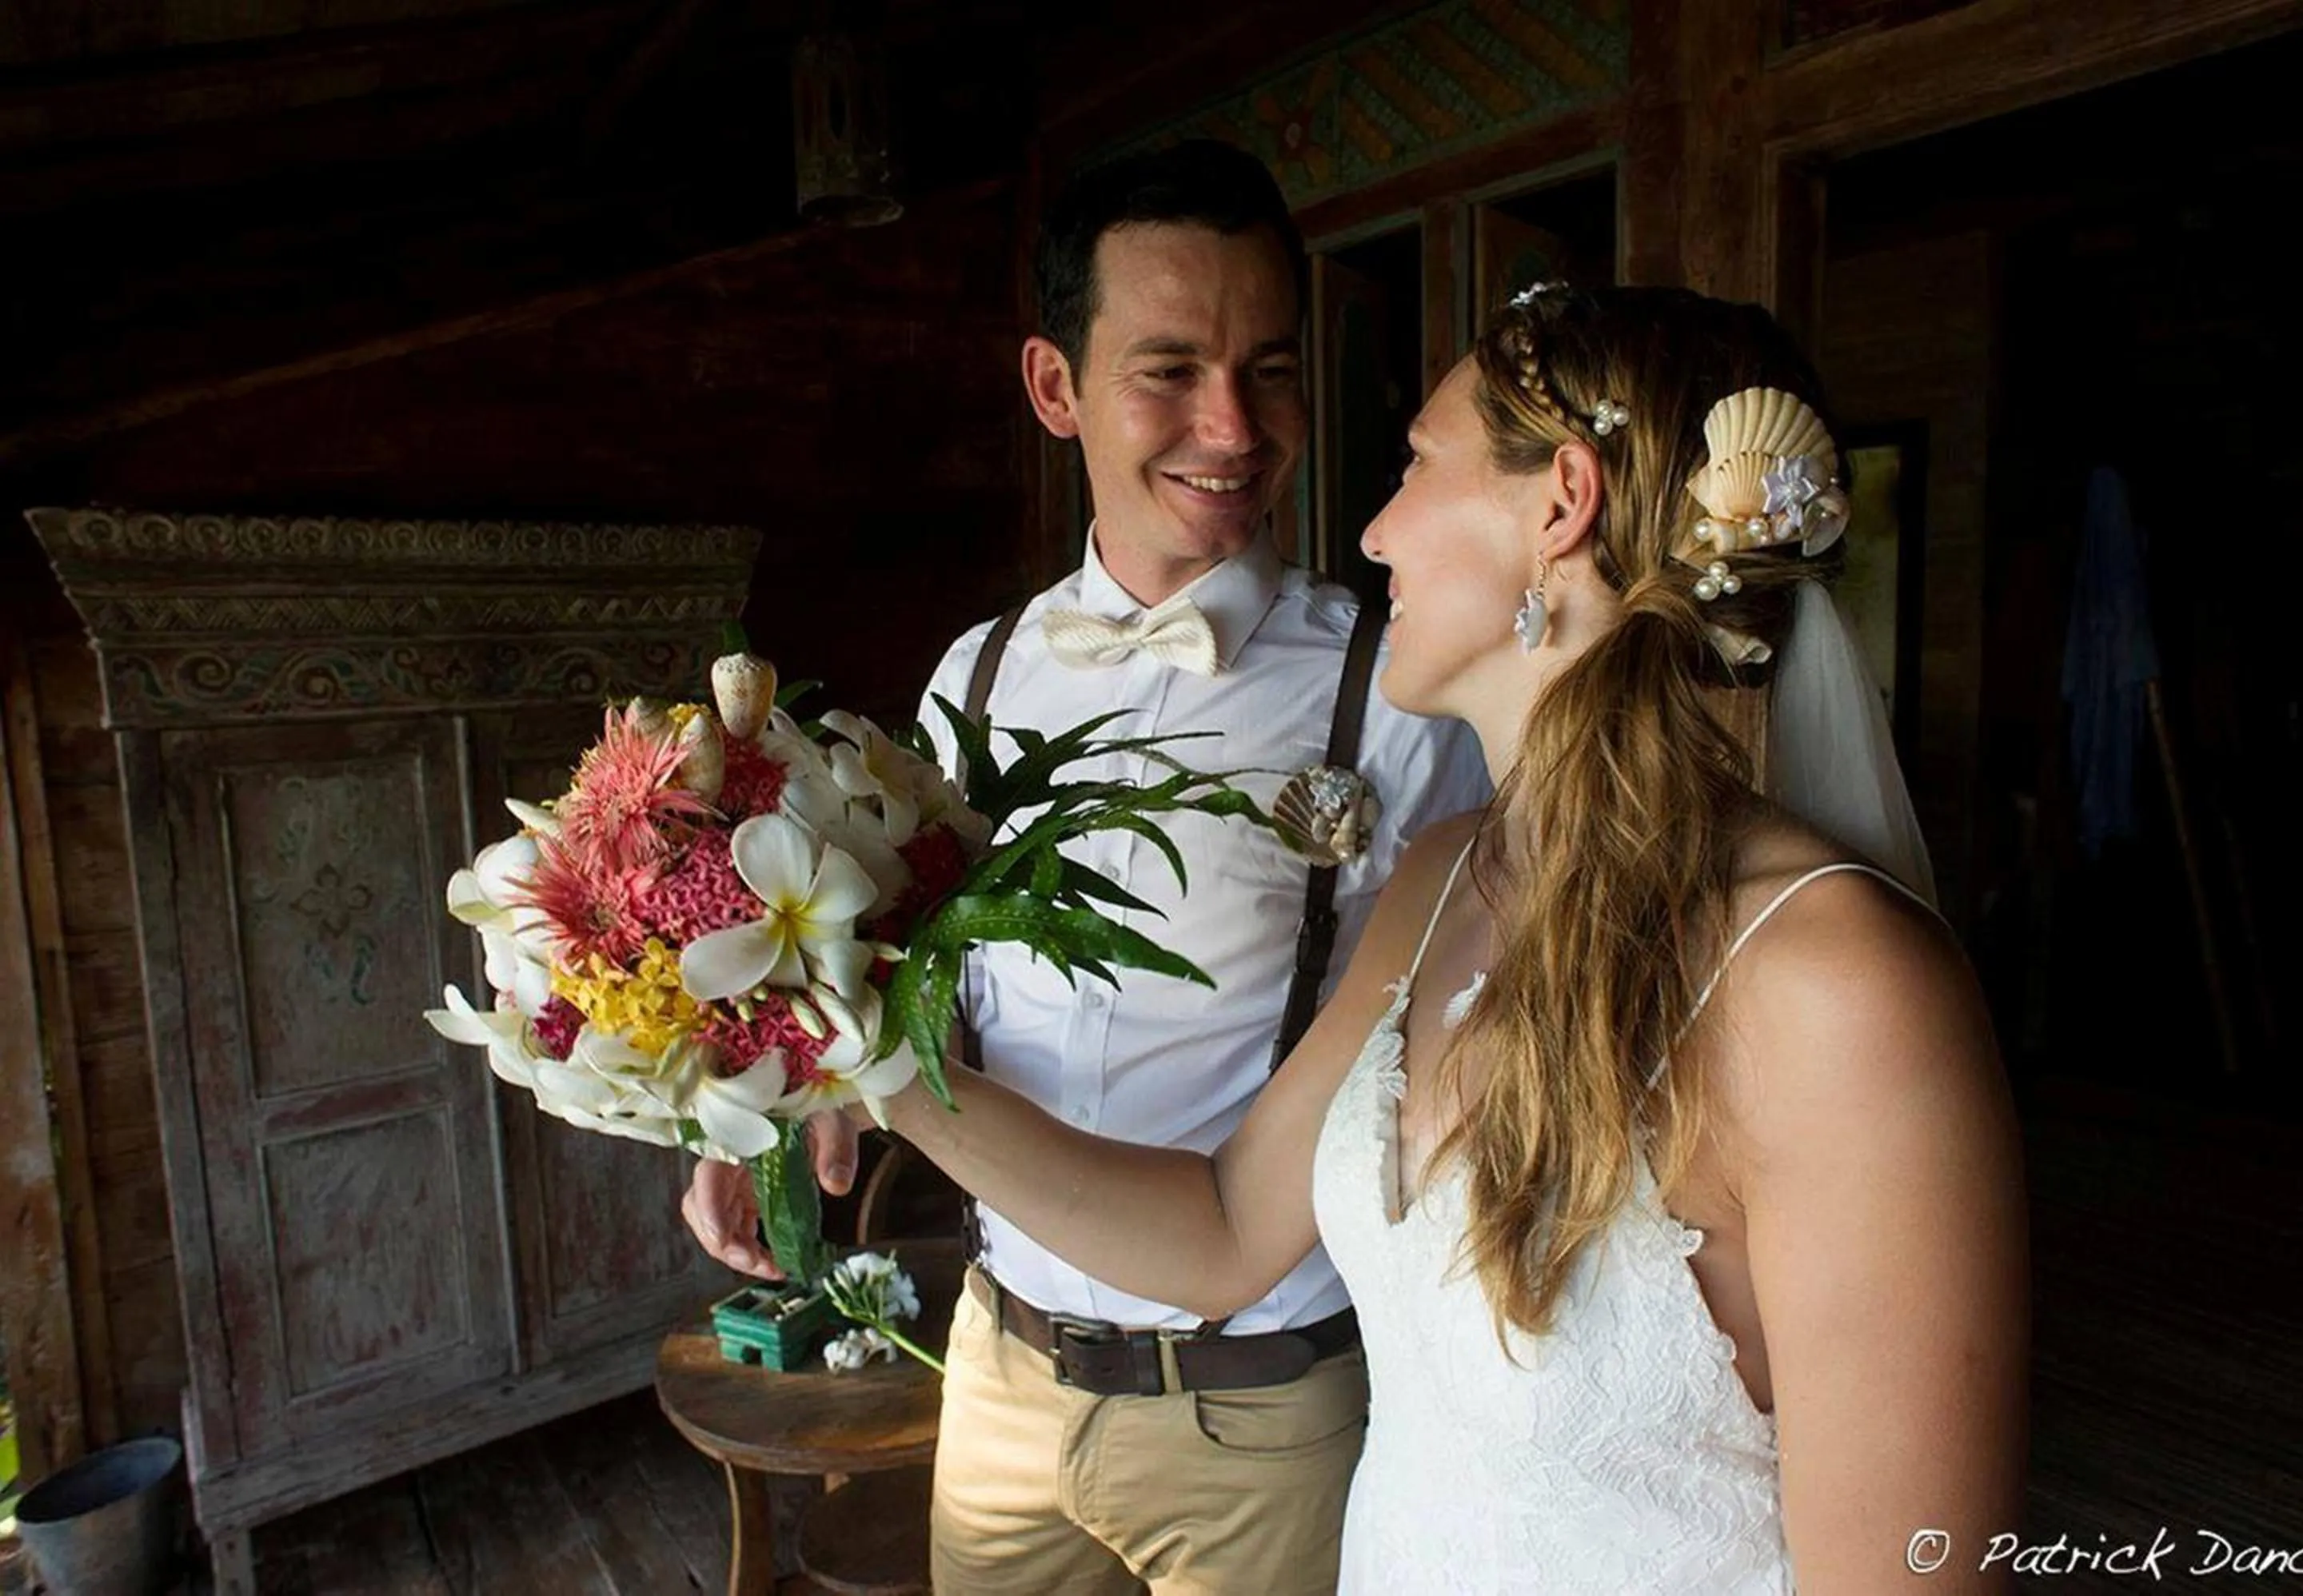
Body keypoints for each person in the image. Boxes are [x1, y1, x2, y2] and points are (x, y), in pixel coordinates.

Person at [860, 283, 2030, 1593]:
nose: (1372, 531)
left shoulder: (1840, 990)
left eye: (1416, 464)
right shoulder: (1437, 878)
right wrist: (863, 1059)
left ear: (1559, 504)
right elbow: (1226, 1231)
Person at [681, 139, 1489, 1595]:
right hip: (1001, 1378)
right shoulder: (971, 681)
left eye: (1272, 369)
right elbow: (903, 967)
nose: (1232, 427)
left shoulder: (1405, 686)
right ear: (1056, 389)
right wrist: (782, 1119)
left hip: (1269, 1403)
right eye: (1169, 369)